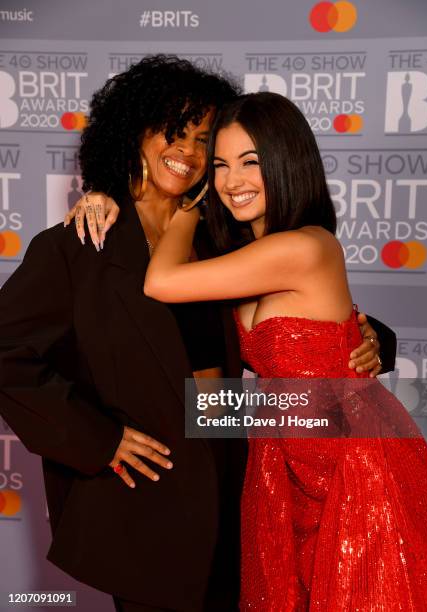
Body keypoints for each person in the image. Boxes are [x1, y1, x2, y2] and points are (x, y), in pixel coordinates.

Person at [137, 92, 427, 610]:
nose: (232, 183)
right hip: (284, 457)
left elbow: (160, 282)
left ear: (286, 160)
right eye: (222, 165)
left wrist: (189, 205)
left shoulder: (303, 246)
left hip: (354, 465)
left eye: (251, 163)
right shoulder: (247, 255)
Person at [0, 55, 246, 612]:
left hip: (231, 494)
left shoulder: (219, 237)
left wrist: (365, 336)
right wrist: (98, 440)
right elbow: (4, 353)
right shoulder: (76, 247)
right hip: (146, 507)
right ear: (132, 129)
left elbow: (284, 307)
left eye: (202, 139)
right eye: (172, 130)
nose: (186, 151)